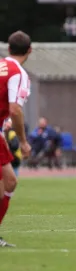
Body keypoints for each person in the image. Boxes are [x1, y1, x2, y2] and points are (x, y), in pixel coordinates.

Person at [0, 31, 32, 247]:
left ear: (8, 49)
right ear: (29, 51)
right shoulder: (18, 72)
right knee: (10, 181)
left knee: (5, 182)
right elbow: (15, 109)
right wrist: (23, 140)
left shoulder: (1, 65)